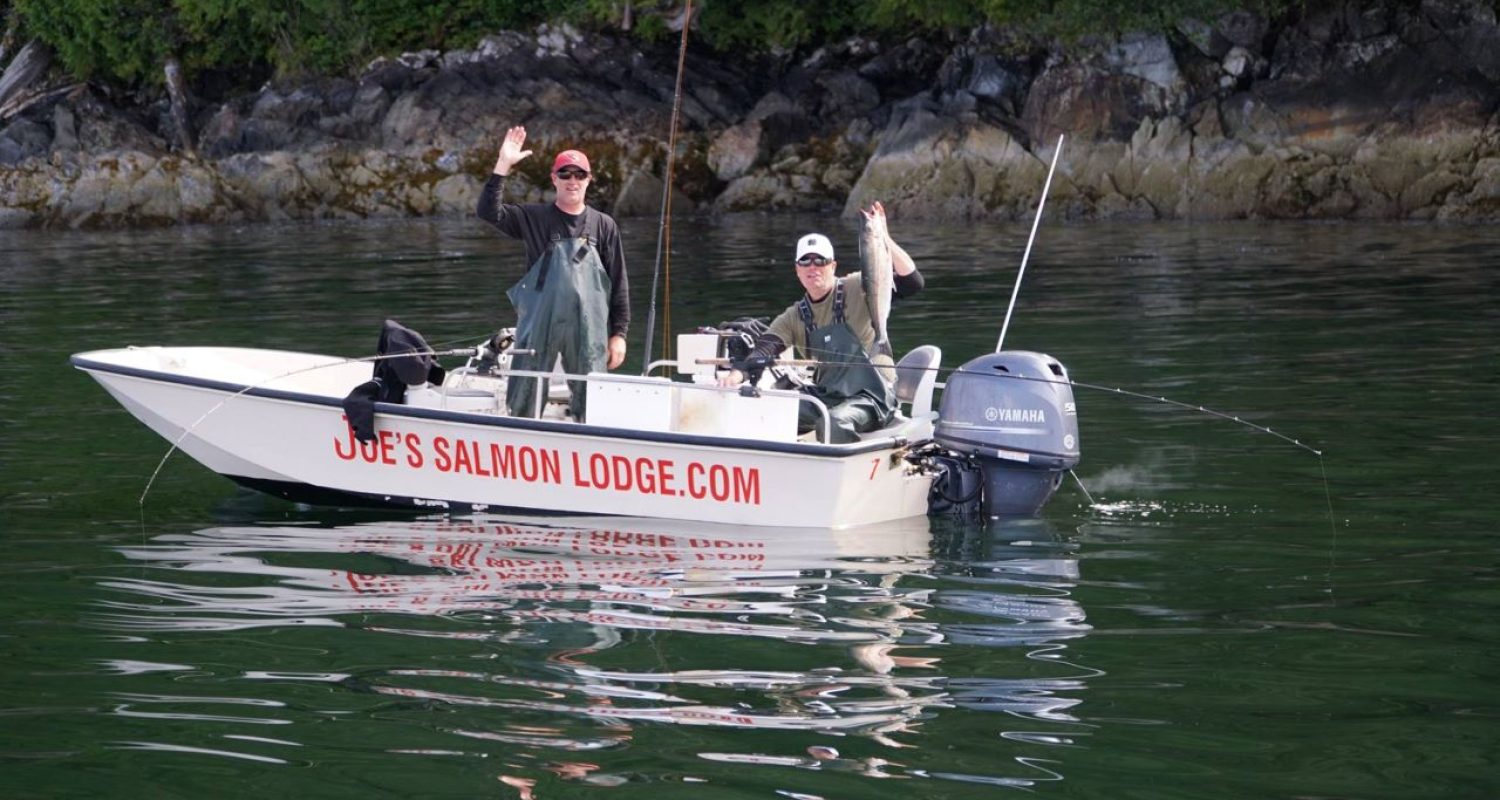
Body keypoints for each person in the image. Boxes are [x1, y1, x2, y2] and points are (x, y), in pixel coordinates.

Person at [719, 202, 923, 443]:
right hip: (829, 395)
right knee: (769, 410)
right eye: (805, 262)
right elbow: (764, 349)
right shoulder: (794, 315)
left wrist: (884, 238)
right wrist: (734, 377)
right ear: (797, 270)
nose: (813, 267)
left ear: (833, 266)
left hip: (873, 397)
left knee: (834, 421)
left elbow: (913, 283)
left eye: (820, 261)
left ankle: (849, 474)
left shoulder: (859, 286)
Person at [476, 125, 629, 419]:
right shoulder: (533, 218)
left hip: (588, 331)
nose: (573, 181)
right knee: (524, 396)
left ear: (589, 180)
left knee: (594, 402)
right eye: (565, 174)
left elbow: (619, 283)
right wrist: (502, 166)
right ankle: (522, 441)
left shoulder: (604, 225)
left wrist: (619, 334)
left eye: (579, 174)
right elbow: (488, 212)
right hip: (538, 326)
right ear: (554, 179)